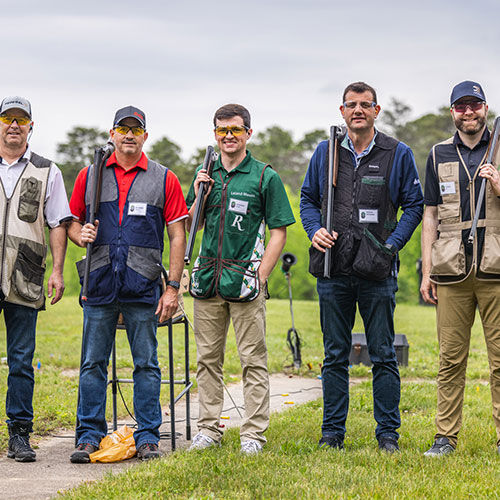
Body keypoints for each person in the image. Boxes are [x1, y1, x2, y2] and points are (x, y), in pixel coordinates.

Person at [300, 82, 423, 452]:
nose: (358, 110)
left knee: (383, 355)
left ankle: (387, 435)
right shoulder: (326, 152)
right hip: (332, 268)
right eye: (351, 105)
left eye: (365, 105)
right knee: (334, 355)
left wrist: (391, 244)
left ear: (376, 110)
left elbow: (414, 205)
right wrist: (314, 229)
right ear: (341, 111)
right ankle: (331, 434)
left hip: (377, 269)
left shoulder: (397, 153)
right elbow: (308, 198)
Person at [67, 106, 187, 463]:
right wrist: (79, 233)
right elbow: (70, 223)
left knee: (147, 365)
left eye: (137, 129)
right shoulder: (89, 175)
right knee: (92, 364)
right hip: (99, 283)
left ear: (145, 136)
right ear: (112, 133)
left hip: (144, 286)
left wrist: (173, 287)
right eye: (123, 128)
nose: (130, 135)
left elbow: (177, 235)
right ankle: (88, 435)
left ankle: (148, 437)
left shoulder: (164, 178)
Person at [186, 104, 295, 455]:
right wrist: (198, 195)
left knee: (253, 360)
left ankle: (253, 434)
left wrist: (261, 275)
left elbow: (279, 231)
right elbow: (192, 227)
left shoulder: (265, 176)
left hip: (245, 283)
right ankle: (208, 429)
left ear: (248, 132)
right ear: (214, 134)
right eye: (222, 131)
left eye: (235, 130)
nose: (228, 136)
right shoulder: (205, 173)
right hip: (207, 282)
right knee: (207, 360)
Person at [421, 81, 500, 456]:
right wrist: (426, 271)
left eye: (475, 105)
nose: (468, 113)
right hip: (451, 271)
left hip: (496, 269)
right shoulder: (438, 153)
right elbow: (431, 213)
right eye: (461, 107)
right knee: (450, 359)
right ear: (452, 112)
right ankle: (445, 438)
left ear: (485, 108)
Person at [0, 96, 71, 462]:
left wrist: (57, 271)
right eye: (8, 118)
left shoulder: (48, 170)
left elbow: (58, 222)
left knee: (22, 360)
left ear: (31, 127)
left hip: (25, 275)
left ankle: (20, 435)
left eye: (21, 120)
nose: (14, 125)